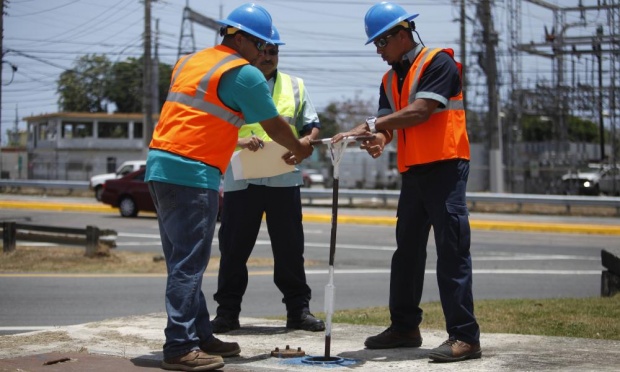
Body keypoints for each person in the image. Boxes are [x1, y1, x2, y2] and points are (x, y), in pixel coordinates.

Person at [144, 4, 314, 371]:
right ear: (239, 38)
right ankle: (179, 346)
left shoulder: (190, 62)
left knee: (183, 260)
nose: (263, 52)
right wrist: (299, 147)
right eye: (260, 44)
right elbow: (274, 125)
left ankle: (201, 335)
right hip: (193, 172)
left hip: (160, 166)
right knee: (189, 265)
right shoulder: (243, 74)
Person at [332, 1, 481, 363]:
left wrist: (368, 127)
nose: (379, 51)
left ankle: (465, 337)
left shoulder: (438, 62)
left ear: (403, 34)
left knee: (451, 251)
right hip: (414, 170)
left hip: (446, 167)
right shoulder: (389, 77)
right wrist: (379, 139)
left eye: (382, 43)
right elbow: (390, 120)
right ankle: (404, 327)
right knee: (407, 252)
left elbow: (420, 111)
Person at [211, 26, 325, 334]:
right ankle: (227, 313)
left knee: (290, 249)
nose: (267, 56)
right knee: (234, 249)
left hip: (283, 180)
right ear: (252, 49)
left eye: (273, 51)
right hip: (241, 179)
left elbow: (311, 126)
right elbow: (218, 126)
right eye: (262, 49)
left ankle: (298, 312)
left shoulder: (295, 85)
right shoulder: (236, 80)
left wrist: (304, 144)